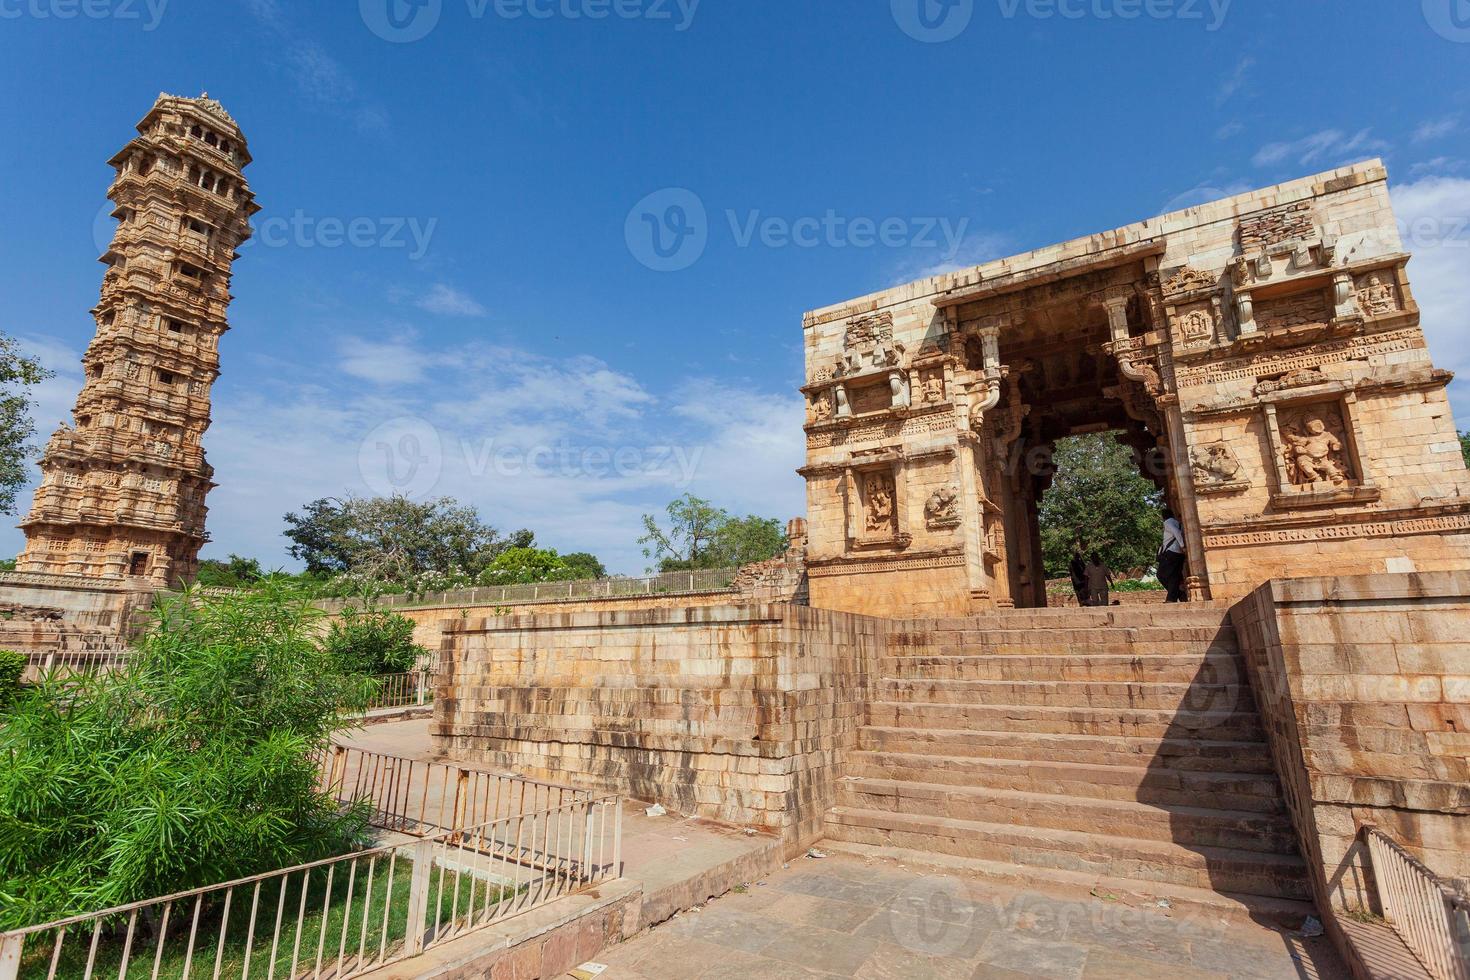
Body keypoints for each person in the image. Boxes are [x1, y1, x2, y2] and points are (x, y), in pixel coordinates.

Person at [1158, 507, 1188, 603]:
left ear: (1163, 517)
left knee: (1161, 575)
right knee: (1174, 576)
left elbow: (1176, 532)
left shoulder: (1168, 522)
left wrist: (1182, 546)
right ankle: (1177, 597)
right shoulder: (1179, 523)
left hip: (1171, 553)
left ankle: (1175, 595)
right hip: (1179, 554)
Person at [1068, 543, 1087, 607]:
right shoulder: (1074, 563)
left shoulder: (1077, 563)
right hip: (1079, 581)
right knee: (1080, 593)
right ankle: (1082, 603)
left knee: (1081, 593)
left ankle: (1082, 602)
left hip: (1079, 581)